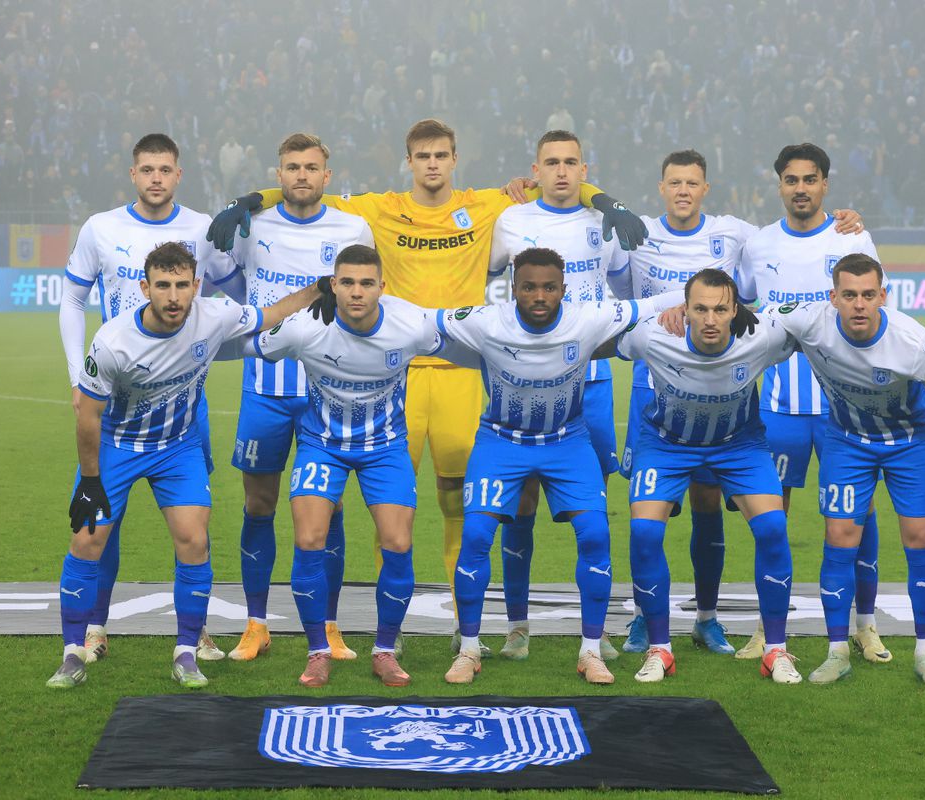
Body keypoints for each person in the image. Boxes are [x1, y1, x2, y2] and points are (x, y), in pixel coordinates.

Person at [208, 118, 646, 656]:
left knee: (462, 504)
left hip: (459, 370)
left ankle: (466, 628)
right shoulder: (378, 209)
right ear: (409, 161)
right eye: (423, 155)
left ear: (454, 159)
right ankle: (385, 630)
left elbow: (563, 184)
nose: (433, 164)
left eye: (441, 155)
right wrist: (251, 199)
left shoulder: (489, 205)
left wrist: (608, 202)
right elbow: (305, 187)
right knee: (388, 508)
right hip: (401, 371)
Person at [618, 149, 865, 656]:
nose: (683, 190)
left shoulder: (736, 234)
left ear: (704, 188)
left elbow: (791, 236)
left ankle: (706, 619)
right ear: (661, 187)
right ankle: (644, 618)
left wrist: (844, 219)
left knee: (709, 505)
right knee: (648, 519)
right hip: (654, 388)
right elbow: (619, 304)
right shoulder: (637, 234)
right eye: (674, 182)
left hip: (721, 388)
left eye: (692, 182)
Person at [46, 242, 318, 689]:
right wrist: (90, 480)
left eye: (181, 285)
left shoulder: (214, 314)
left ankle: (187, 652)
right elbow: (87, 415)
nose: (173, 297)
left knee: (194, 540)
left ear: (196, 285)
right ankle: (72, 652)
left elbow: (269, 315)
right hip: (118, 445)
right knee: (87, 541)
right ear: (144, 288)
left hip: (177, 448)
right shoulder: (113, 341)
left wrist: (319, 290)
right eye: (163, 286)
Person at [436, 247, 681, 686]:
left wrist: (692, 299)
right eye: (529, 287)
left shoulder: (587, 318)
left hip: (567, 442)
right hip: (501, 441)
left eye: (549, 287)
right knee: (475, 534)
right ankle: (469, 649)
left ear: (564, 289)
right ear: (513, 289)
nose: (539, 296)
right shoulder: (487, 322)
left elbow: (649, 304)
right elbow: (421, 322)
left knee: (595, 533)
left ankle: (591, 652)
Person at [59, 133, 244, 665]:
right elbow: (72, 298)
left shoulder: (202, 228)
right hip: (117, 394)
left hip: (183, 398)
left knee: (194, 520)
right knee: (102, 517)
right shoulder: (101, 228)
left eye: (165, 169)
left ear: (178, 174)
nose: (156, 178)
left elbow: (237, 293)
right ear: (133, 174)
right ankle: (94, 627)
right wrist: (76, 375)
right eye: (147, 169)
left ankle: (196, 631)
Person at [243, 245, 456, 688]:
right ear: (333, 285)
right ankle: (317, 651)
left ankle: (384, 651)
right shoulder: (304, 327)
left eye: (366, 283)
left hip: (386, 448)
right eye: (347, 283)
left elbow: (469, 346)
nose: (357, 292)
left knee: (398, 542)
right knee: (309, 539)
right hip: (322, 446)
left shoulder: (410, 323)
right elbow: (249, 345)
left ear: (382, 287)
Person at [771, 254, 925, 687]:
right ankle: (837, 652)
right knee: (839, 539)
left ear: (883, 296)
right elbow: (749, 320)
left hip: (910, 443)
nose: (858, 304)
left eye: (867, 295)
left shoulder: (914, 343)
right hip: (847, 441)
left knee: (920, 541)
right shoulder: (810, 322)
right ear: (832, 297)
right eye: (849, 295)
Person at [605, 268, 802, 684]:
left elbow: (819, 333)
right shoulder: (654, 336)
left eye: (720, 310)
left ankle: (776, 650)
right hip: (666, 443)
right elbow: (596, 341)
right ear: (685, 309)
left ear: (735, 310)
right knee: (644, 533)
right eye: (700, 309)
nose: (710, 320)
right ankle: (660, 649)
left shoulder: (762, 336)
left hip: (738, 444)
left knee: (772, 528)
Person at [226, 133, 374, 664]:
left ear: (327, 177)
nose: (302, 175)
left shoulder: (351, 228)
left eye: (311, 167)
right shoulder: (254, 226)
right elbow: (236, 290)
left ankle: (330, 626)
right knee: (258, 503)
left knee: (328, 509)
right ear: (279, 174)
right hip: (265, 389)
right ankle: (256, 624)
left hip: (326, 391)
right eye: (292, 167)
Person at [735, 143, 884, 662]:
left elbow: (874, 309)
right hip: (779, 408)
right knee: (770, 522)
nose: (801, 188)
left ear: (825, 184)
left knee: (857, 517)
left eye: (810, 179)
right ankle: (766, 628)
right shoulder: (759, 244)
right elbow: (743, 305)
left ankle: (865, 625)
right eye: (792, 179)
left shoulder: (852, 237)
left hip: (844, 408)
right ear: (780, 185)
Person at [485, 129, 628, 661]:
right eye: (552, 162)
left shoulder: (603, 223)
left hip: (591, 383)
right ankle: (517, 626)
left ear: (584, 170)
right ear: (535, 170)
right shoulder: (511, 220)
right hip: (526, 383)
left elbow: (623, 289)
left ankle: (598, 628)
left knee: (592, 509)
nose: (562, 171)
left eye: (571, 162)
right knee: (520, 505)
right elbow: (486, 280)